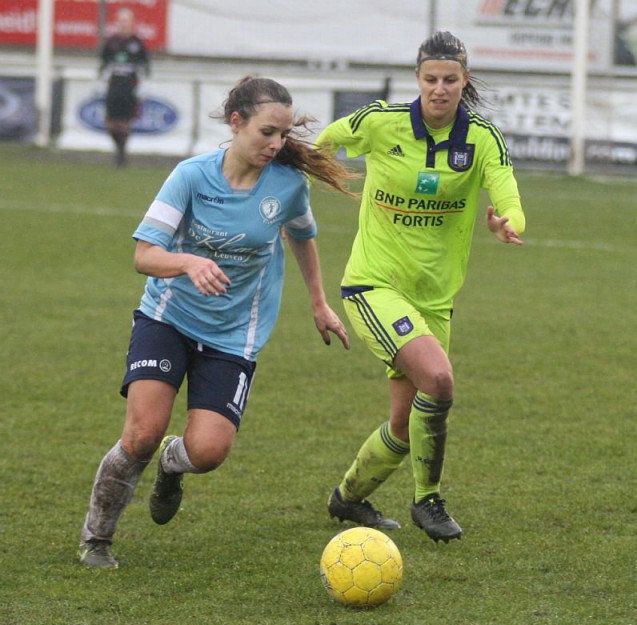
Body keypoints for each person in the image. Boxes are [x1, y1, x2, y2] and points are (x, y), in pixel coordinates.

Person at [78, 76, 356, 569]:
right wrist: (187, 263)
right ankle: (97, 538)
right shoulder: (190, 175)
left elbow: (302, 237)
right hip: (169, 316)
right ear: (236, 123)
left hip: (234, 333)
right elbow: (145, 256)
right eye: (267, 132)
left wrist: (319, 302)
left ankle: (171, 464)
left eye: (284, 135)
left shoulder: (289, 186)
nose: (277, 144)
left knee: (207, 452)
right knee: (142, 432)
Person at [317, 31, 525, 543]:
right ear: (418, 79)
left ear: (464, 81)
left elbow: (508, 194)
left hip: (435, 299)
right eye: (430, 79)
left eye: (449, 80)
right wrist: (288, 187)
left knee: (405, 424)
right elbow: (320, 142)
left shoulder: (481, 139)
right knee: (440, 381)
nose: (439, 88)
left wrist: (506, 222)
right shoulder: (380, 122)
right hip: (373, 285)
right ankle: (427, 500)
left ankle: (348, 498)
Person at [98, 7, 150, 167]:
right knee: (111, 123)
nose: (123, 24)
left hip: (130, 88)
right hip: (114, 87)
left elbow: (145, 66)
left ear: (132, 23)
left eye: (126, 21)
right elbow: (103, 64)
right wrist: (99, 79)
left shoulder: (137, 43)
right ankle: (119, 149)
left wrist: (145, 85)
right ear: (117, 23)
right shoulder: (111, 42)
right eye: (121, 21)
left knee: (125, 122)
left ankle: (121, 155)